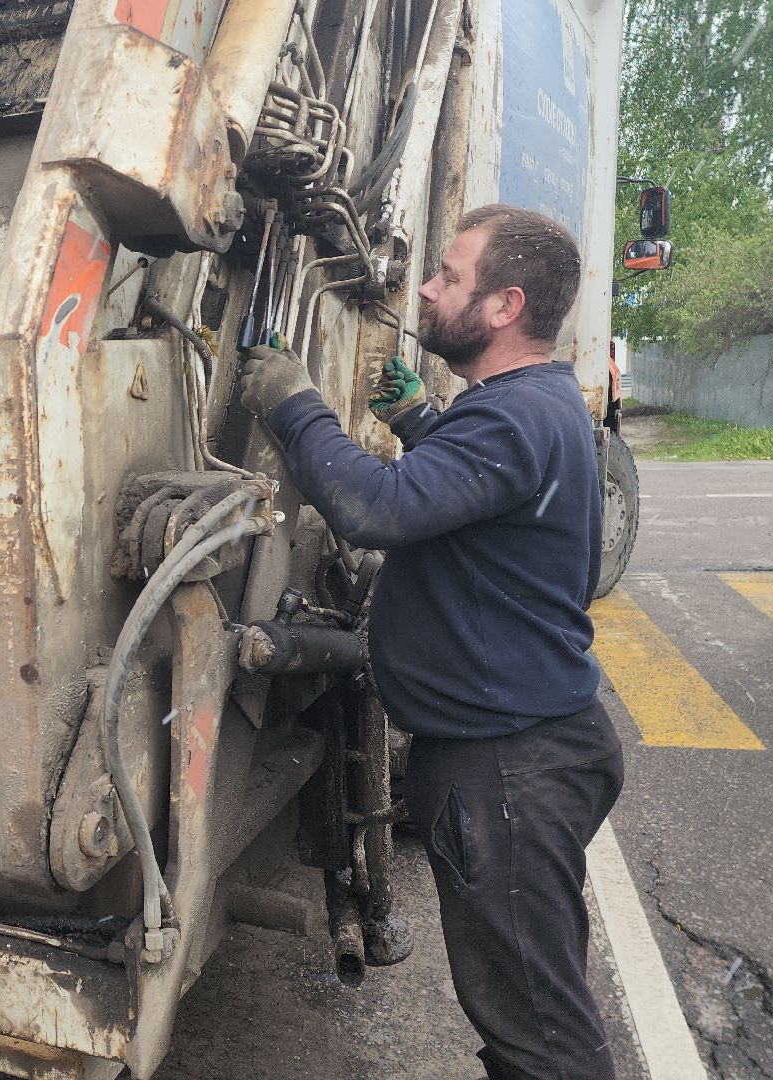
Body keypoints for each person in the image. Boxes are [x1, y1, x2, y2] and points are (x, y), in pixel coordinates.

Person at [239, 204, 623, 1080]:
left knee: (542, 1033)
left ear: (503, 305)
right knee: (532, 991)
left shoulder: (514, 418)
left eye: (451, 275)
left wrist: (293, 404)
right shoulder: (532, 403)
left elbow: (379, 508)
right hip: (528, 751)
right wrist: (420, 423)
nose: (425, 287)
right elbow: (481, 504)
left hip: (508, 773)